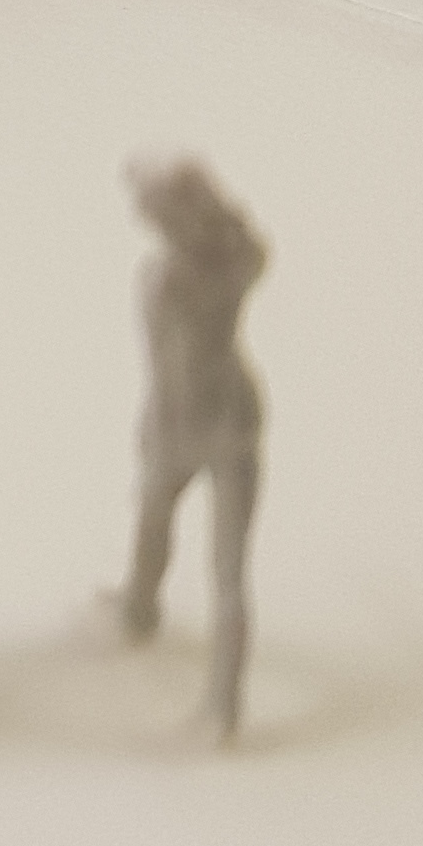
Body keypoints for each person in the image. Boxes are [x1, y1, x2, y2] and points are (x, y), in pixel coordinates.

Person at [116, 153, 268, 741]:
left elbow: (168, 370)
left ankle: (143, 617)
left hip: (184, 421)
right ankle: (220, 701)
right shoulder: (239, 258)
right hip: (236, 414)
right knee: (226, 567)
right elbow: (254, 247)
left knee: (158, 518)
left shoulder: (165, 280)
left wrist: (153, 429)